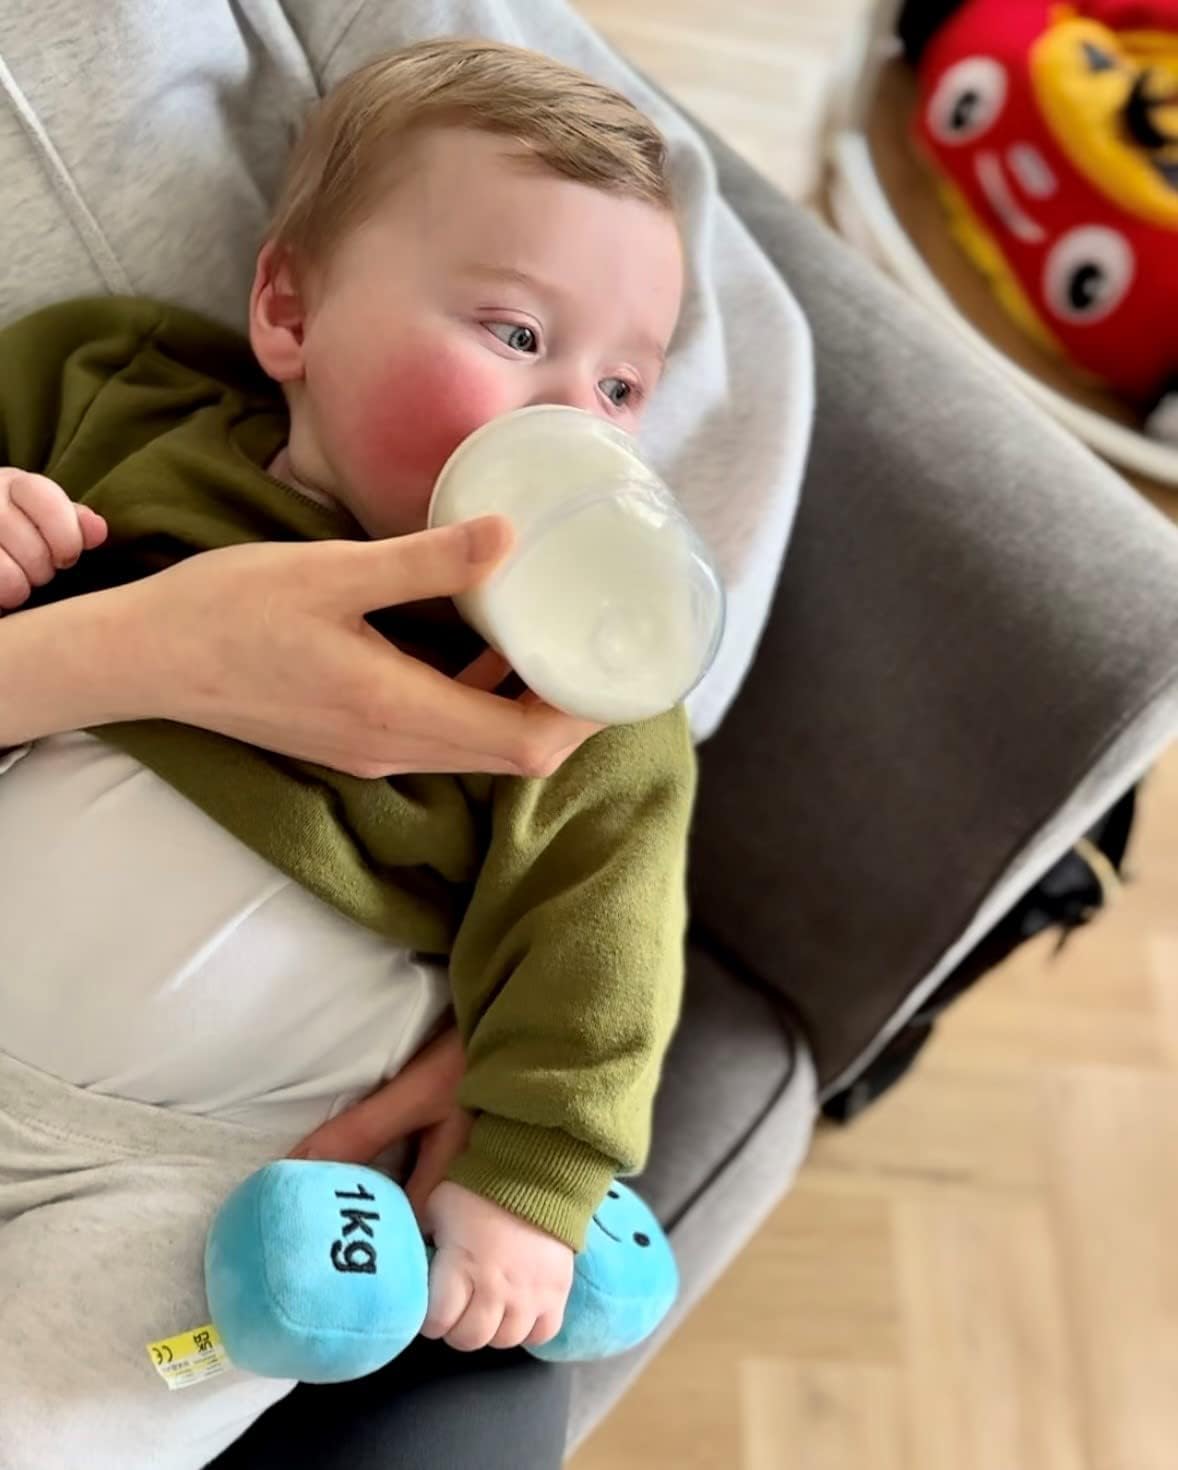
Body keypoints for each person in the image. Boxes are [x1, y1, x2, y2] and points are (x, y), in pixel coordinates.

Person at [0, 38, 695, 1470]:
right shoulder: (123, 393)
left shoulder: (580, 686)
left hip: (185, 1171)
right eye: (518, 335)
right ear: (288, 308)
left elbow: (603, 937)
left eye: (626, 388)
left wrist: (534, 1177)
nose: (576, 417)